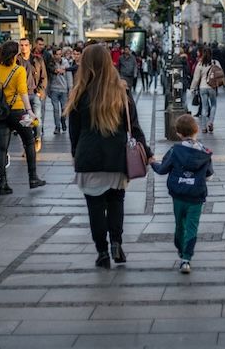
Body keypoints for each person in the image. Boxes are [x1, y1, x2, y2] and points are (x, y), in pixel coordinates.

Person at [65, 44, 151, 269]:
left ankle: (102, 251)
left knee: (94, 207)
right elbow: (134, 126)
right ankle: (116, 243)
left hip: (89, 157)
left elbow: (73, 131)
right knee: (116, 202)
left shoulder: (79, 92)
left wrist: (76, 154)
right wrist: (147, 152)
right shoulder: (121, 91)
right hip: (116, 157)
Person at [151, 114, 214, 274]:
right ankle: (186, 259)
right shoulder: (204, 152)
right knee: (192, 226)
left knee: (180, 224)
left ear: (178, 133)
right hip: (196, 196)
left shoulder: (174, 151)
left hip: (178, 194)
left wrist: (152, 163)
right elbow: (209, 175)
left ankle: (180, 248)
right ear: (196, 130)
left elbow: (162, 169)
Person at [0, 40, 45, 195]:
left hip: (1, 114)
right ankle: (33, 178)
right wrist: (30, 111)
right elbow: (23, 93)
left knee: (2, 148)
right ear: (14, 55)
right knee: (29, 141)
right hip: (18, 111)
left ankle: (3, 183)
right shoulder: (18, 70)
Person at [17, 38, 46, 150]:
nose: (23, 47)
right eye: (21, 45)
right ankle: (27, 144)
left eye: (26, 45)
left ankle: (37, 138)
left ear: (29, 46)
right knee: (24, 121)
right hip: (21, 95)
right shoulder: (16, 60)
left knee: (36, 119)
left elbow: (44, 76)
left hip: (34, 93)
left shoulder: (37, 59)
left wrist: (40, 91)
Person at [190, 47, 219, 134]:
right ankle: (210, 122)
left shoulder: (200, 64)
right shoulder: (215, 62)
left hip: (202, 88)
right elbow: (220, 73)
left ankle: (203, 127)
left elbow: (196, 78)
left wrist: (192, 88)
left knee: (204, 107)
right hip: (212, 87)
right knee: (213, 105)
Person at [48, 46, 72, 134]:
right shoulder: (50, 64)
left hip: (64, 89)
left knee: (64, 109)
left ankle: (63, 120)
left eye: (60, 54)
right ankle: (57, 127)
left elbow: (69, 77)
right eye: (56, 54)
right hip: (54, 89)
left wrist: (70, 89)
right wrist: (48, 90)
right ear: (53, 55)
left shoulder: (65, 63)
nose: (58, 56)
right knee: (55, 109)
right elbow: (48, 77)